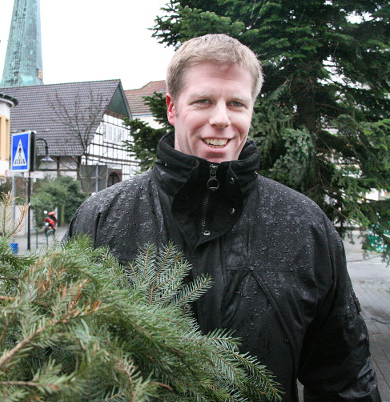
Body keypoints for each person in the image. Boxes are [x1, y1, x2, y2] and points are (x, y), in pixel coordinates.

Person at [66, 34, 380, 401]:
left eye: (236, 104)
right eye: (203, 101)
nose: (221, 119)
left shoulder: (305, 225)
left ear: (250, 112)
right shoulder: (102, 219)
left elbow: (343, 377)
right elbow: (64, 362)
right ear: (172, 108)